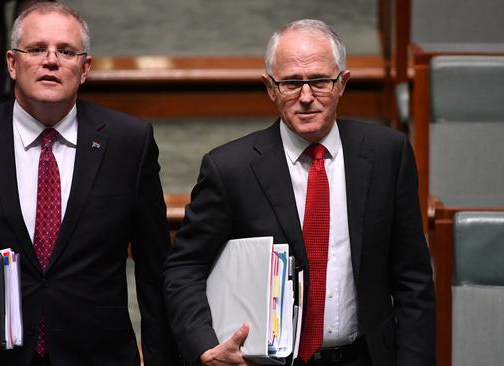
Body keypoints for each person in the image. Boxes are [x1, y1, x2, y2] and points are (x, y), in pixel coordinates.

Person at [0, 3, 180, 366]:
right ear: (11, 63)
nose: (51, 60)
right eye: (37, 49)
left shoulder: (128, 143)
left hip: (98, 355)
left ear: (85, 68)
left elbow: (155, 269)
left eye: (67, 51)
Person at [164, 19, 435, 366]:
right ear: (270, 87)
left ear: (342, 83)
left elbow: (413, 280)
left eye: (320, 81)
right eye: (291, 83)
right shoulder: (230, 168)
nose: (306, 97)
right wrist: (205, 345)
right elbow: (184, 268)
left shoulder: (387, 154)